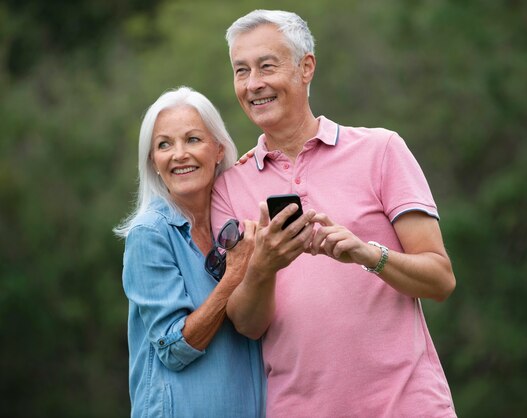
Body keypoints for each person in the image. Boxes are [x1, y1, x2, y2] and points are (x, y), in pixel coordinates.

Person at [211, 9, 458, 418]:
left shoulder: (381, 150)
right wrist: (264, 266)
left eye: (266, 66)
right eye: (241, 71)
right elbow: (247, 325)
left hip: (409, 406)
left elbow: (440, 280)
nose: (253, 84)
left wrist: (367, 254)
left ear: (306, 67)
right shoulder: (229, 188)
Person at [114, 86, 267, 417]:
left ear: (218, 150)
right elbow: (174, 348)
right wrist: (235, 276)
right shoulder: (149, 234)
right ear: (153, 162)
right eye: (164, 145)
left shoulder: (237, 222)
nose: (178, 154)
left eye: (193, 140)